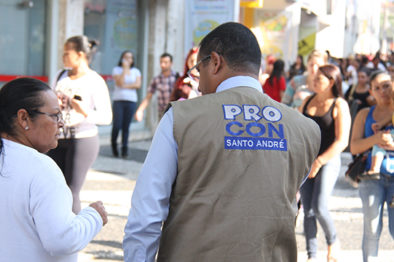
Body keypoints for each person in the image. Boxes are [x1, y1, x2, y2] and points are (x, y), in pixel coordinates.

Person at [123, 22, 321, 262]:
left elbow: (147, 211)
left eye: (198, 68)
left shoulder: (181, 118)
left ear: (215, 62)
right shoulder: (305, 129)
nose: (197, 82)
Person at [0, 78, 108, 262]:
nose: (61, 123)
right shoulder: (41, 168)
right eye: (55, 115)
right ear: (24, 118)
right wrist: (94, 216)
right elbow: (62, 240)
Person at [47, 36, 112, 214]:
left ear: (80, 55)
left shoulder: (95, 80)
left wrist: (84, 110)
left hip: (83, 139)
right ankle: (54, 228)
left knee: (71, 189)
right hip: (57, 137)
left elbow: (106, 117)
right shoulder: (60, 76)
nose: (63, 56)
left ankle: (72, 234)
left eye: (67, 53)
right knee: (54, 187)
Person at [298, 64, 351, 262]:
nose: (314, 81)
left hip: (327, 160)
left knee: (319, 207)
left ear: (331, 82)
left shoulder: (339, 104)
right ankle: (311, 255)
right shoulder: (306, 101)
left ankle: (333, 241)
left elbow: (342, 141)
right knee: (307, 210)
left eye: (319, 78)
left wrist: (319, 162)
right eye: (314, 77)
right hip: (306, 160)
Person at [350, 71, 394, 262]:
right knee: (371, 229)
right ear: (371, 92)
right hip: (371, 178)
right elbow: (353, 147)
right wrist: (375, 139)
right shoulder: (364, 114)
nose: (382, 91)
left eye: (385, 85)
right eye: (377, 88)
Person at [111, 50, 142, 158]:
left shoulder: (136, 71)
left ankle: (125, 148)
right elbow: (119, 82)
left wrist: (124, 86)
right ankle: (114, 144)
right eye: (126, 57)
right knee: (117, 125)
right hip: (118, 100)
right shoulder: (117, 69)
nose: (128, 60)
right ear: (122, 58)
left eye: (130, 57)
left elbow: (138, 85)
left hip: (131, 101)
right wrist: (125, 70)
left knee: (126, 126)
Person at [135, 53, 178, 121]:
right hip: (163, 112)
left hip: (176, 112)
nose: (163, 65)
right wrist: (140, 110)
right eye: (161, 62)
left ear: (171, 63)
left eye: (165, 62)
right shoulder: (156, 79)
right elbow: (148, 96)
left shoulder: (178, 77)